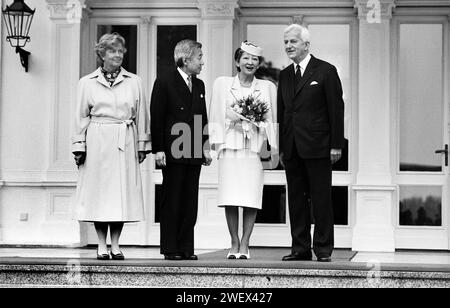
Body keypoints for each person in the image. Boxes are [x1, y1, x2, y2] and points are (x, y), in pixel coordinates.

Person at [72, 33, 151, 260]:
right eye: (112, 51)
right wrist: (79, 146)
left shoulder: (134, 81)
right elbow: (80, 117)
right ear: (102, 54)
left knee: (120, 195)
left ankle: (115, 244)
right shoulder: (86, 83)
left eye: (120, 51)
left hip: (124, 139)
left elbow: (142, 117)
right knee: (100, 194)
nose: (117, 55)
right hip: (97, 140)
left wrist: (142, 144)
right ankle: (100, 244)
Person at [278, 24, 345, 262]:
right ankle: (300, 249)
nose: (288, 46)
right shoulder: (284, 75)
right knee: (296, 200)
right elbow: (282, 113)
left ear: (306, 44)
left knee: (321, 199)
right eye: (286, 42)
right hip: (292, 148)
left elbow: (336, 110)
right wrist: (282, 148)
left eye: (293, 41)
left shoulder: (326, 71)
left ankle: (324, 249)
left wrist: (336, 144)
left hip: (319, 146)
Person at [209, 42, 277, 260]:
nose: (250, 62)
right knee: (230, 196)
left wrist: (272, 148)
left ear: (258, 64)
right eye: (246, 58)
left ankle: (245, 243)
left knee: (250, 197)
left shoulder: (267, 87)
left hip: (254, 150)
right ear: (237, 61)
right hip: (230, 147)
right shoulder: (222, 84)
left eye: (255, 59)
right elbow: (215, 115)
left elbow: (272, 119)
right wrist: (214, 145)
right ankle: (234, 241)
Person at [150, 39, 212, 261]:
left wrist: (205, 146)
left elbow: (202, 117)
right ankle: (170, 248)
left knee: (189, 201)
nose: (202, 62)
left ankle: (186, 247)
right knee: (173, 200)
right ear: (185, 59)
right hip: (173, 150)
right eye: (199, 57)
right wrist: (158, 149)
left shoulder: (201, 85)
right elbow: (156, 118)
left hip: (194, 149)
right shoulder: (164, 81)